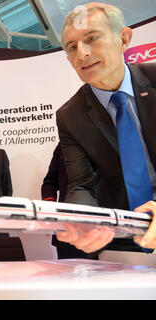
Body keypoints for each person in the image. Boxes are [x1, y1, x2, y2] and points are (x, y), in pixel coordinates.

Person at [55, 2, 156, 253]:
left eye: (93, 38)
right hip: (125, 239)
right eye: (72, 47)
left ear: (123, 39)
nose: (82, 53)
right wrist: (84, 219)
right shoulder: (70, 115)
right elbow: (81, 184)